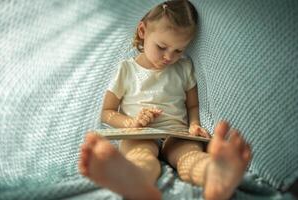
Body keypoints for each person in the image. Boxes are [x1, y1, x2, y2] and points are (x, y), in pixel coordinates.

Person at [79, 1, 252, 200]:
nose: (169, 57)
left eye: (178, 50)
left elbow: (193, 105)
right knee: (141, 157)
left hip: (176, 133)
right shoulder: (126, 70)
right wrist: (131, 123)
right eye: (162, 47)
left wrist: (194, 124)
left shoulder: (184, 68)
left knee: (190, 157)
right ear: (143, 31)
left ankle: (214, 176)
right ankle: (135, 181)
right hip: (140, 133)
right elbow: (107, 111)